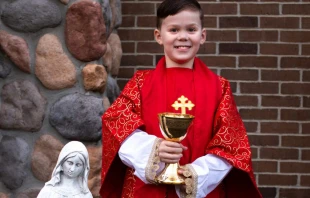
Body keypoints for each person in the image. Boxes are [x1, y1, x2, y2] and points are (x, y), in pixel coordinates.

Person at [100, 0, 262, 197]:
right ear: (159, 36)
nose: (183, 37)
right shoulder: (141, 84)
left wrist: (195, 175)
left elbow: (232, 146)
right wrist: (154, 150)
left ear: (202, 36)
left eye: (191, 29)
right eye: (174, 30)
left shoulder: (219, 88)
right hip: (146, 190)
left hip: (198, 191)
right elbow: (115, 123)